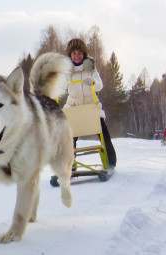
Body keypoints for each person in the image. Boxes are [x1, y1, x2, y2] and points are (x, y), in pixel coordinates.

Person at [50, 38, 116, 186]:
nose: (77, 56)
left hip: (90, 106)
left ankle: (111, 162)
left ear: (84, 54)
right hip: (73, 106)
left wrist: (92, 81)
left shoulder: (90, 66)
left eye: (80, 53)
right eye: (74, 53)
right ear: (70, 55)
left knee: (103, 133)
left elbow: (100, 85)